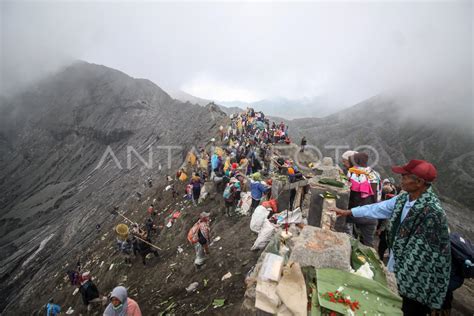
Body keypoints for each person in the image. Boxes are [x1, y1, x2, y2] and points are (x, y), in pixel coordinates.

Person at [331, 159, 450, 315]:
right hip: (397, 265)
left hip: (417, 278)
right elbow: (377, 208)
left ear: (419, 182)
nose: (401, 180)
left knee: (406, 309)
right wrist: (349, 212)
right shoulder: (404, 199)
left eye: (405, 176)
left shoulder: (432, 213)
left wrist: (392, 278)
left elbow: (421, 256)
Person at [346, 152, 381, 247]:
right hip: (372, 214)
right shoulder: (376, 174)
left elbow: (348, 193)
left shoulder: (353, 172)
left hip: (355, 213)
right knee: (369, 244)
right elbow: (378, 195)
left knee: (347, 239)